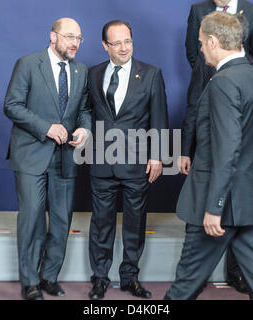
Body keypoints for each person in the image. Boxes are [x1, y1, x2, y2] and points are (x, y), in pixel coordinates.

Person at [164, 11, 253, 300]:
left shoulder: (225, 82)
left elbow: (228, 148)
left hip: (219, 207)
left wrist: (214, 207)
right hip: (249, 200)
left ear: (213, 41)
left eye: (201, 43)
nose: (200, 49)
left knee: (183, 287)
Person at [4, 18, 91, 300]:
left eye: (78, 38)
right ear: (52, 37)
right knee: (31, 219)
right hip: (31, 154)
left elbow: (85, 109)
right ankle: (29, 281)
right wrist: (46, 128)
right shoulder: (28, 64)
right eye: (69, 37)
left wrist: (85, 129)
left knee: (62, 220)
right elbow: (12, 105)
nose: (75, 43)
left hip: (65, 156)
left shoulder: (81, 70)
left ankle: (48, 277)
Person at [87, 20, 169, 300]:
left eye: (128, 41)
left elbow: (159, 117)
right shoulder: (93, 73)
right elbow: (87, 112)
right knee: (101, 223)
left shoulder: (151, 74)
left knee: (135, 223)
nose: (124, 48)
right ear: (105, 45)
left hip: (137, 163)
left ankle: (129, 278)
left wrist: (158, 155)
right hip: (101, 161)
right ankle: (99, 278)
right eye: (117, 43)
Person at [185, 0, 253, 68]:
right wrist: (202, 71)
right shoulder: (198, 10)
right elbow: (191, 48)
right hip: (205, 78)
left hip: (239, 76)